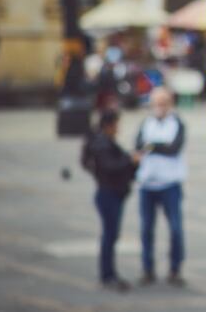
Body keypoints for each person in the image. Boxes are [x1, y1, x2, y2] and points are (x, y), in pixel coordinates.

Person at [80, 110, 139, 292]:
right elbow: (110, 166)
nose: (118, 128)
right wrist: (131, 160)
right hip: (108, 194)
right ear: (109, 125)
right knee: (109, 236)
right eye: (116, 124)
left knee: (111, 235)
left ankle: (109, 273)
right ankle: (108, 275)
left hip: (112, 193)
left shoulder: (104, 142)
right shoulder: (102, 144)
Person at [135, 86, 187, 286]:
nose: (160, 107)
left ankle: (175, 268)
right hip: (147, 184)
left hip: (170, 184)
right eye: (157, 103)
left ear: (170, 104)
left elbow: (173, 148)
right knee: (146, 229)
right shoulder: (146, 123)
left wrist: (152, 146)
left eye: (164, 103)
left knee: (175, 228)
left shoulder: (177, 124)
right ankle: (147, 269)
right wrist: (157, 146)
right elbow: (139, 146)